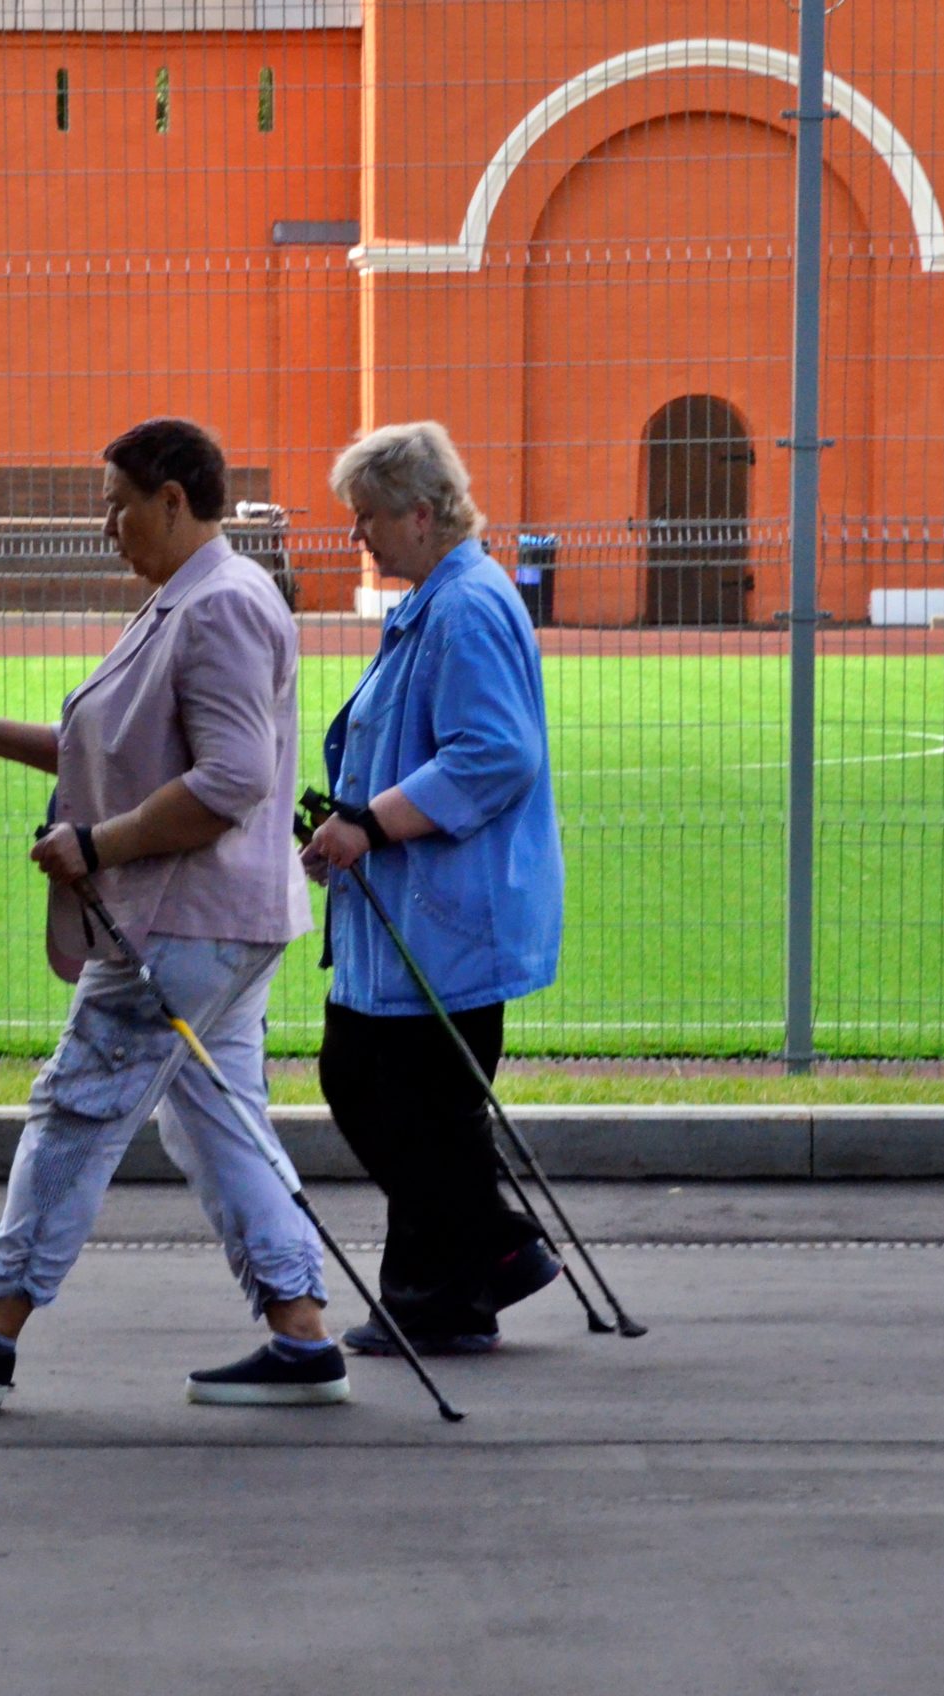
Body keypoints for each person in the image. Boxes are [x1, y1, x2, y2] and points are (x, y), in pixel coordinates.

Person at [0, 418, 343, 1409]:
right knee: (216, 1121)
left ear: (173, 499)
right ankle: (300, 1334)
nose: (104, 523)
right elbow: (113, 754)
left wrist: (97, 845)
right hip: (209, 923)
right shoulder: (189, 600)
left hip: (179, 923)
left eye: (118, 501)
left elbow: (231, 781)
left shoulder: (218, 609)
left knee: (78, 1106)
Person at [299, 421, 566, 1356]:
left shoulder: (461, 608)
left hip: (444, 914)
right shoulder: (442, 600)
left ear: (422, 513)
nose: (359, 537)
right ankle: (441, 1290)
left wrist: (370, 824)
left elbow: (496, 755)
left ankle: (488, 1254)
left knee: (387, 1092)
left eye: (368, 518)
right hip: (419, 910)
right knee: (404, 1097)